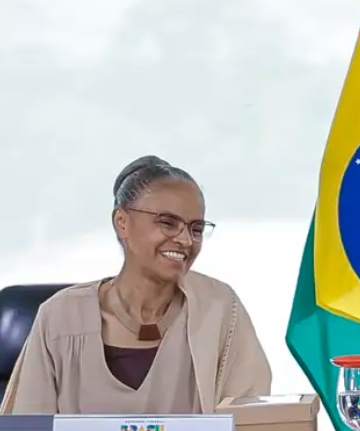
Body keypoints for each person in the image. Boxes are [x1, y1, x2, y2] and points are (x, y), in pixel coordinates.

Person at [0, 156, 271, 414]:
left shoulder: (219, 308)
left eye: (196, 229)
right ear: (122, 222)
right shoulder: (60, 315)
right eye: (168, 223)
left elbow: (251, 429)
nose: (186, 240)